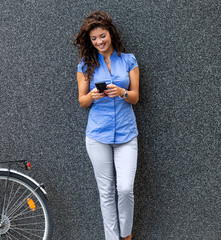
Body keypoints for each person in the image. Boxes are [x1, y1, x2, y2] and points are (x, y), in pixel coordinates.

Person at [74, 10, 139, 240]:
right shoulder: (85, 65)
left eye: (102, 36)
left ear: (110, 34)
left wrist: (122, 92)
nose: (99, 42)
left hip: (126, 135)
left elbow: (135, 97)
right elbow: (82, 102)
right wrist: (93, 95)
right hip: (97, 136)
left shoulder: (129, 60)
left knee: (124, 189)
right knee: (106, 193)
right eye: (93, 39)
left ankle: (126, 235)